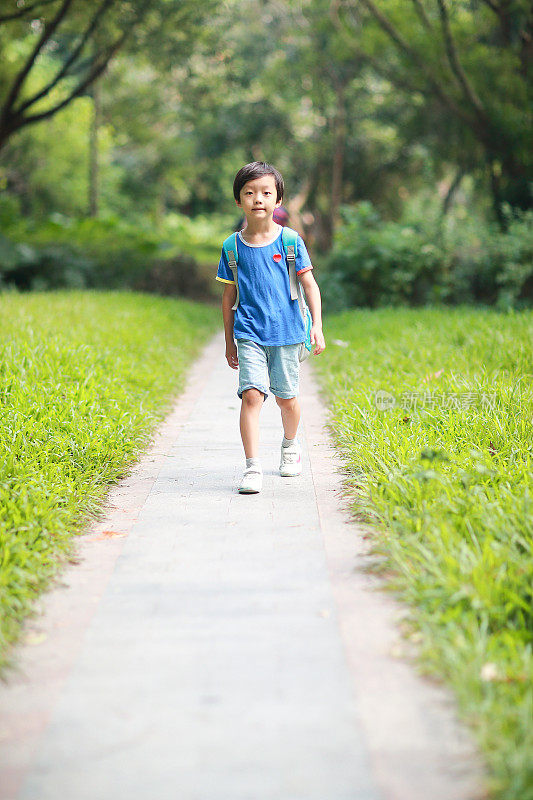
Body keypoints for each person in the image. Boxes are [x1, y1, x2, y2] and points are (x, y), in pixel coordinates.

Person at [215, 161, 326, 494]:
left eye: (265, 192)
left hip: (289, 332)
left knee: (286, 400)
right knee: (251, 396)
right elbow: (228, 296)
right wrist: (229, 341)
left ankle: (290, 446)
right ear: (239, 201)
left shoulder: (290, 241)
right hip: (249, 332)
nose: (257, 199)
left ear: (278, 200)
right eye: (249, 193)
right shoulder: (232, 247)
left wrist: (317, 326)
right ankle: (252, 468)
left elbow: (310, 286)